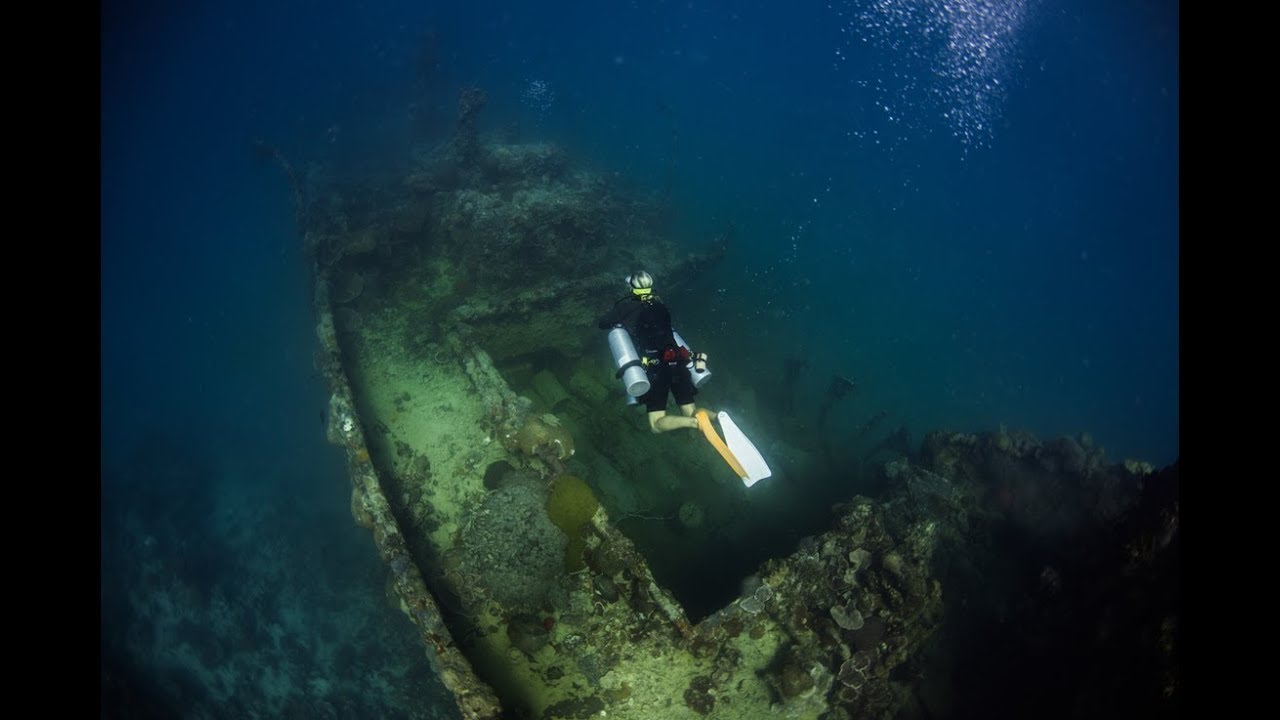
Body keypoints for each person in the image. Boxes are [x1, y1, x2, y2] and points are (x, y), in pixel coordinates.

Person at [596, 271, 708, 433]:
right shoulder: (660, 305)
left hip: (657, 368)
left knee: (656, 424)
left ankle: (695, 424)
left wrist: (619, 315)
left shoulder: (626, 306)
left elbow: (603, 323)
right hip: (678, 360)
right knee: (691, 411)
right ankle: (715, 418)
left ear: (632, 287)